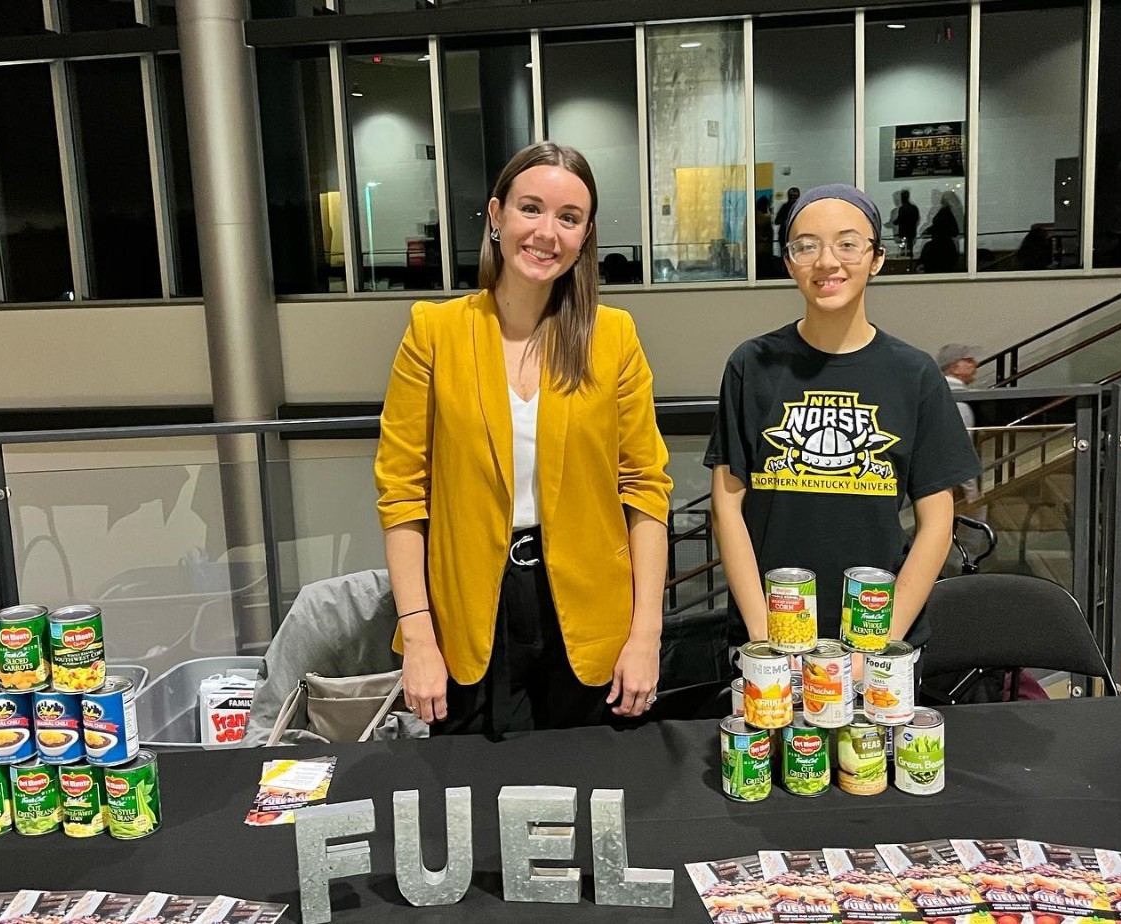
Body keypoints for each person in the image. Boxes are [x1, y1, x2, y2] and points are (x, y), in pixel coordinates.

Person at [375, 141, 673, 739]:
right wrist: (419, 636)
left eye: (569, 218)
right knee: (474, 785)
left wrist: (646, 634)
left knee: (587, 778)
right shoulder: (434, 333)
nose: (546, 233)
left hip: (590, 613)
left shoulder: (612, 337)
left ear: (585, 236)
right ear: (496, 215)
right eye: (530, 209)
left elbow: (645, 489)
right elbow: (402, 493)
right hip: (469, 612)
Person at [705, 184, 981, 686]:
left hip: (879, 638)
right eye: (806, 246)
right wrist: (766, 639)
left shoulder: (915, 374)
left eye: (848, 244)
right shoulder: (752, 365)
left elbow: (937, 525)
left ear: (877, 258)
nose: (827, 261)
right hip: (770, 640)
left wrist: (877, 646)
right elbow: (726, 507)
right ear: (789, 262)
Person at [936, 342, 983, 506]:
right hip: (950, 486)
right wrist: (971, 492)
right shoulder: (958, 401)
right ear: (955, 367)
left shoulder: (934, 393)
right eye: (968, 360)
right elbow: (959, 448)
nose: (975, 364)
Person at [894, 189, 919, 257]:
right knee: (910, 248)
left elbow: (899, 220)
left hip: (903, 232)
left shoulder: (902, 208)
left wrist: (893, 223)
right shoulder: (914, 208)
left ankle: (903, 260)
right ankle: (909, 259)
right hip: (911, 232)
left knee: (903, 249)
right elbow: (916, 219)